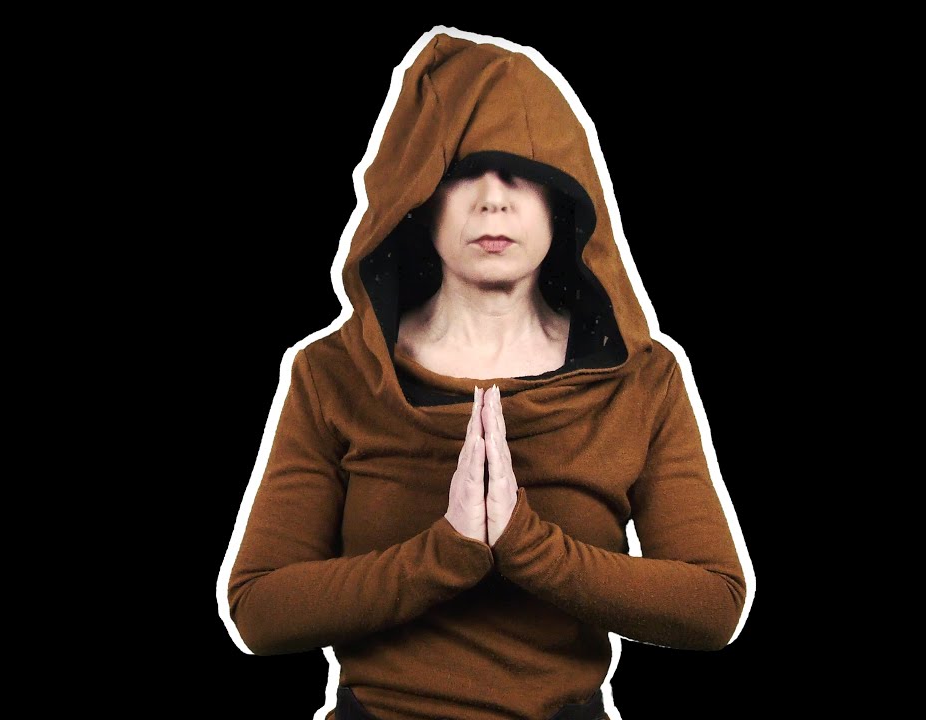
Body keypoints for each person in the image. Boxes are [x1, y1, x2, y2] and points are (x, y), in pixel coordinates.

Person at [221, 29, 751, 720]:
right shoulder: (332, 374)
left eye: (520, 173)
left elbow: (714, 604)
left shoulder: (642, 381)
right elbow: (259, 609)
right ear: (418, 196)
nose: (493, 201)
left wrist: (527, 545)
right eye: (463, 171)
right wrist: (447, 551)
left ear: (563, 198)